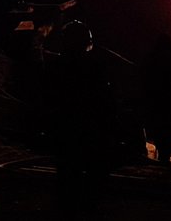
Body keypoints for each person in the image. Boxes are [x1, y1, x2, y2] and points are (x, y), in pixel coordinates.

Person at [45, 20, 117, 213]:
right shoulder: (95, 68)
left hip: (66, 131)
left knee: (68, 174)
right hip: (90, 130)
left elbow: (48, 99)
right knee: (93, 175)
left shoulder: (56, 67)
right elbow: (106, 100)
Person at [141, 33, 171, 162]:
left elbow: (144, 79)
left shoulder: (151, 57)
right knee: (168, 125)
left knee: (158, 126)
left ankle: (162, 149)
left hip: (156, 99)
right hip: (170, 99)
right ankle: (166, 152)